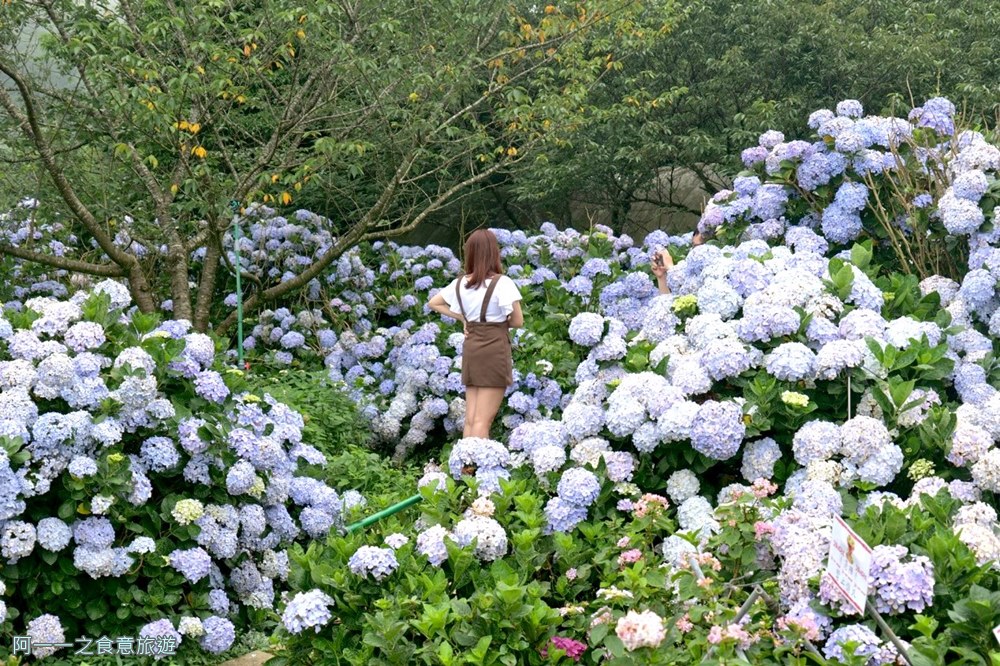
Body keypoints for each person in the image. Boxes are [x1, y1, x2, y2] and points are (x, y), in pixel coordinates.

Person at [427, 229, 524, 438]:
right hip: (494, 350)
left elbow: (433, 303)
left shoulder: (461, 283)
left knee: (471, 420)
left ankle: (464, 469)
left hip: (472, 348)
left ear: (469, 253)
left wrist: (463, 318)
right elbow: (517, 321)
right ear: (494, 253)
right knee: (483, 421)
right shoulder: (502, 283)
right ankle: (476, 469)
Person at [651, 230, 706, 295]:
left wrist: (670, 268)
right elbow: (670, 302)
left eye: (700, 246)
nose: (695, 252)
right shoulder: (686, 267)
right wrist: (661, 277)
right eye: (694, 247)